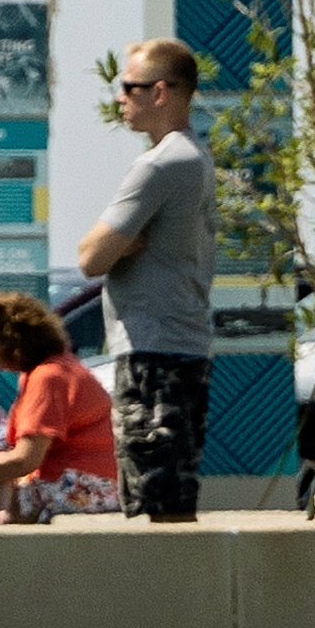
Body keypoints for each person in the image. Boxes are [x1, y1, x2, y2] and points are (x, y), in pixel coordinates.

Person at [79, 37, 217, 522]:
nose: (120, 98)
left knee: (152, 507)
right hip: (179, 347)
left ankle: (167, 598)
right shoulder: (194, 158)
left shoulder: (159, 164)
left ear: (160, 92)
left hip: (153, 354)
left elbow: (91, 257)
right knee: (170, 499)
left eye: (129, 88)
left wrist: (117, 243)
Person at [0, 292, 123, 525]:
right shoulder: (57, 367)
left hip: (83, 488)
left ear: (10, 342)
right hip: (90, 482)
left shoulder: (48, 378)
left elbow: (24, 460)